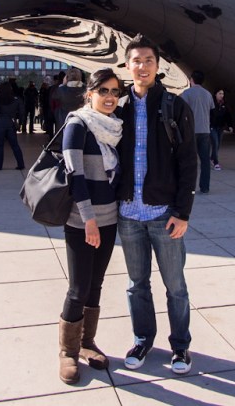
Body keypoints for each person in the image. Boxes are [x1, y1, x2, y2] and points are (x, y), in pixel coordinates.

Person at [116, 35, 198, 374]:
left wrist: (182, 213)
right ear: (127, 65)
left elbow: (189, 162)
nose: (142, 66)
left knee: (175, 287)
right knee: (137, 285)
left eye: (148, 60)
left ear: (157, 65)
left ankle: (180, 347)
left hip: (163, 214)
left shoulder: (175, 106)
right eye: (136, 60)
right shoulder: (118, 106)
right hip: (128, 215)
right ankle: (143, 339)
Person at [56, 69, 122, 384]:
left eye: (115, 91)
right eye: (104, 91)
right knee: (79, 287)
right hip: (82, 221)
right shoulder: (78, 124)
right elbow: (75, 174)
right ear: (90, 93)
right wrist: (88, 219)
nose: (110, 97)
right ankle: (67, 352)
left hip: (109, 219)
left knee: (96, 284)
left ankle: (86, 343)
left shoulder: (115, 127)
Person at [179, 70, 215, 194]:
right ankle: (205, 187)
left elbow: (181, 108)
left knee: (190, 160)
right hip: (205, 130)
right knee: (205, 160)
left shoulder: (187, 93)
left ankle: (189, 187)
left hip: (191, 130)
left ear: (191, 80)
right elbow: (211, 109)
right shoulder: (208, 94)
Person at [0, 82, 25, 170]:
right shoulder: (16, 99)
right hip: (11, 122)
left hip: (0, 122)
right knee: (15, 145)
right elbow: (22, 112)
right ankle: (21, 164)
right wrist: (20, 123)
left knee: (0, 145)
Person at [209, 89, 232, 172]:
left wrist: (230, 126)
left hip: (221, 127)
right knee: (215, 143)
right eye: (220, 93)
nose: (221, 95)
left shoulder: (224, 104)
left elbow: (228, 115)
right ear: (215, 94)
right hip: (212, 126)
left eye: (222, 94)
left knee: (218, 144)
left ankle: (212, 158)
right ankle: (216, 162)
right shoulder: (211, 103)